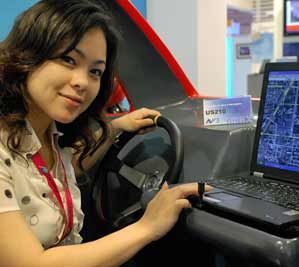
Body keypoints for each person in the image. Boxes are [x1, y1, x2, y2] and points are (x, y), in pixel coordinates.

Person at [0, 1, 210, 266]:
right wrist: (147, 227)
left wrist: (115, 129)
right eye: (68, 59)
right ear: (27, 56)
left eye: (95, 72)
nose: (82, 82)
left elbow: (61, 172)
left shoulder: (48, 136)